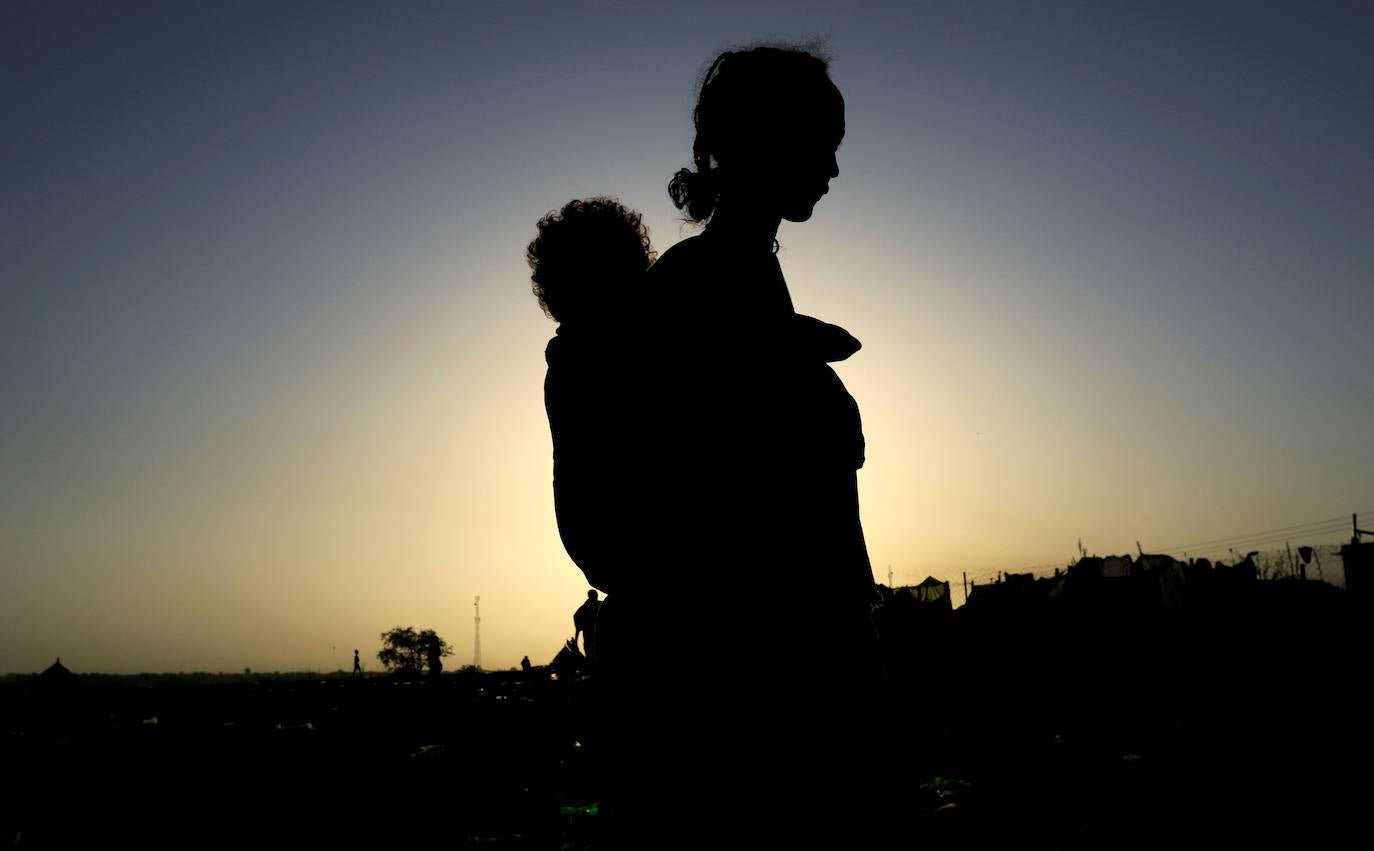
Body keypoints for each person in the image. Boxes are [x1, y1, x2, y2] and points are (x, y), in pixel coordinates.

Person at [538, 44, 890, 849]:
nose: (834, 168)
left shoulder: (743, 279)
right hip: (765, 693)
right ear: (761, 141)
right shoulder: (699, 287)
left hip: (804, 664)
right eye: (821, 142)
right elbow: (716, 506)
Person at [573, 589, 602, 663]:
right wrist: (576, 641)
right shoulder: (587, 607)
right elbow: (576, 618)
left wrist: (576, 641)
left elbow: (576, 618)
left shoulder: (586, 607)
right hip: (590, 635)